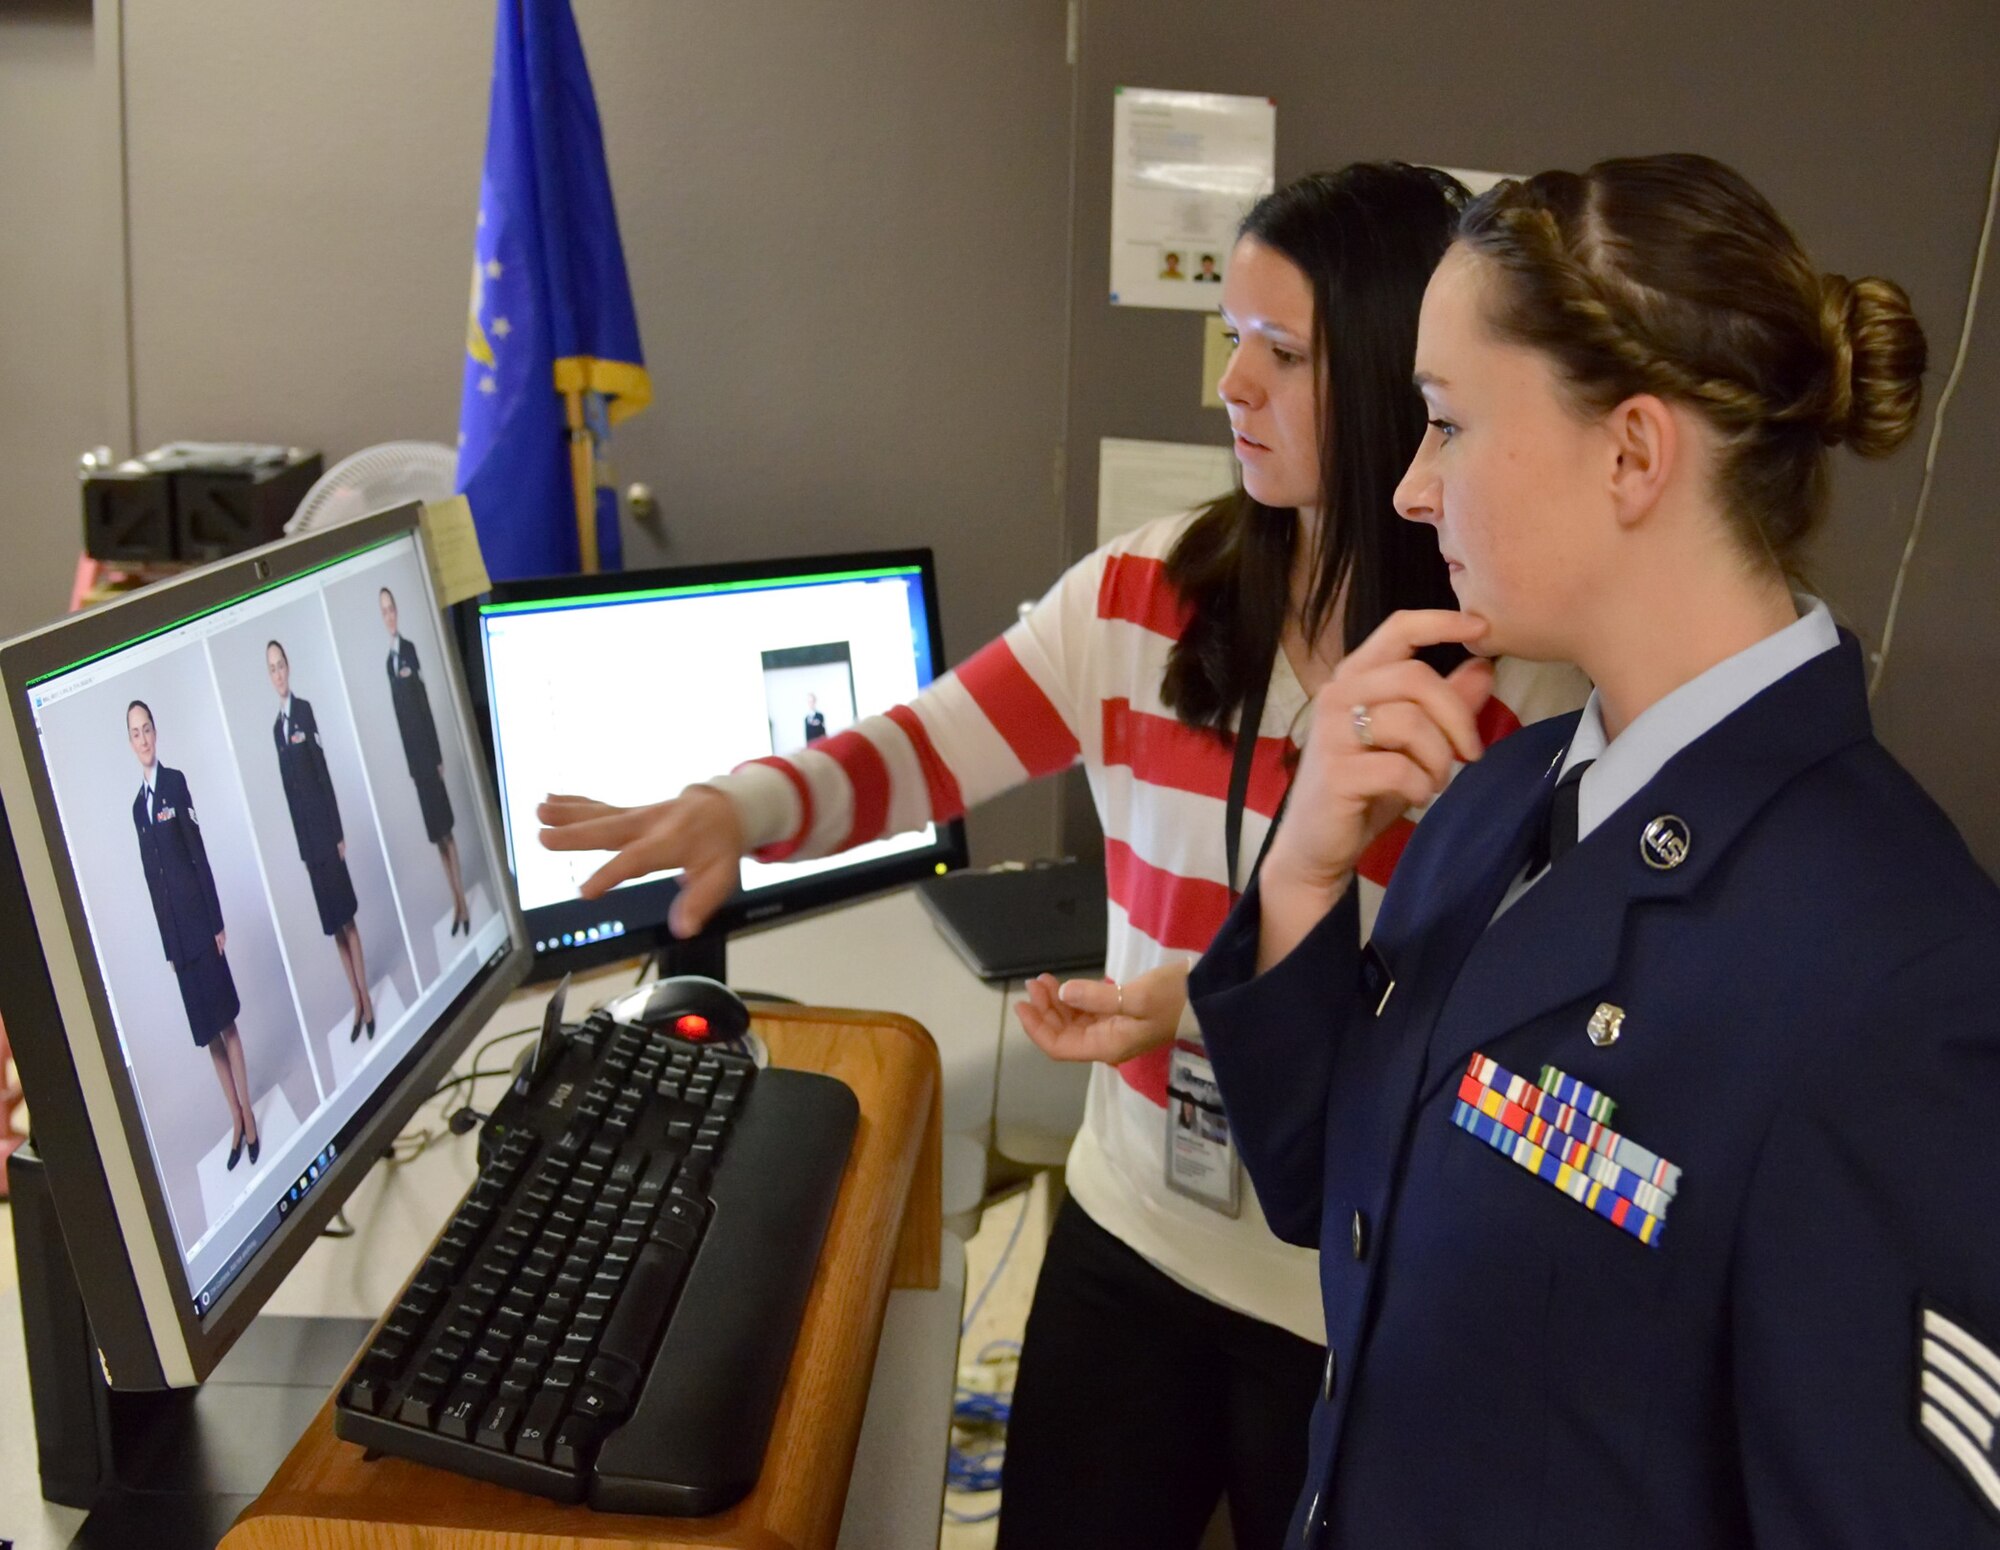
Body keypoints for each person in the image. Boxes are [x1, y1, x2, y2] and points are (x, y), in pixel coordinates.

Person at [537, 164, 1586, 1548]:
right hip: (1131, 1226)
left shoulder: (1514, 680)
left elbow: (1466, 1029)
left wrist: (1196, 999)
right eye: (1231, 338)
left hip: (1344, 1290)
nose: (1233, 384)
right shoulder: (1143, 595)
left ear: (1405, 378)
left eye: (1284, 352)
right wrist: (742, 806)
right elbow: (925, 747)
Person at [1187, 153, 2000, 1547]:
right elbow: (1341, 1197)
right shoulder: (1503, 794)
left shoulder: (1897, 975)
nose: (1407, 492)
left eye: (1444, 425)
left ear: (1632, 452)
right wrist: (1305, 878)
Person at [127, 699, 260, 1169]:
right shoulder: (138, 810)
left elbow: (197, 853)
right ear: (131, 743)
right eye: (135, 734)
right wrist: (168, 945)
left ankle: (251, 1114)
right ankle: (236, 1119)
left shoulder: (175, 784)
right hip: (179, 943)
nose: (143, 739)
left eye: (148, 730)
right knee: (208, 1036)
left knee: (227, 1022)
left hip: (202, 929)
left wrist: (217, 921)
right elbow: (151, 880)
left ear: (156, 734)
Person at [266, 641, 373, 1041]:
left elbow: (321, 773)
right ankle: (357, 1000)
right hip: (309, 844)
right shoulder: (276, 729)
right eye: (272, 669)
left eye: (281, 666)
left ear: (289, 669)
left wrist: (338, 832)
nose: (278, 674)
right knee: (333, 927)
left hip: (328, 836)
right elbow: (289, 793)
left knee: (348, 917)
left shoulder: (304, 711)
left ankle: (368, 997)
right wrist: (302, 848)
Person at [380, 587, 470, 936]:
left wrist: (435, 755)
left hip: (428, 758)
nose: (389, 616)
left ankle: (462, 899)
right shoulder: (389, 663)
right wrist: (411, 765)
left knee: (448, 833)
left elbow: (423, 705)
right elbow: (401, 720)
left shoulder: (410, 651)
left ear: (398, 613)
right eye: (383, 612)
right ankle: (457, 902)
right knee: (436, 837)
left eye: (391, 609)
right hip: (415, 764)